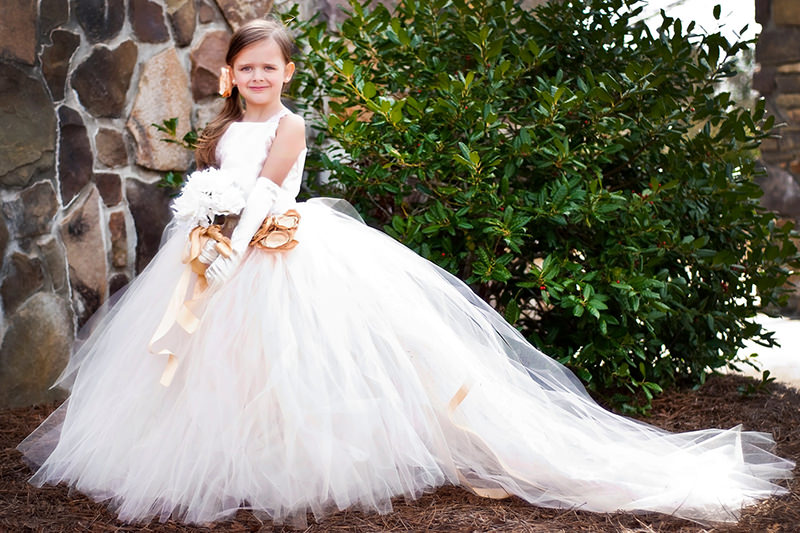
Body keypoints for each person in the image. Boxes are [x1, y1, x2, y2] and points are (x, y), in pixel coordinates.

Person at [18, 18, 794, 528]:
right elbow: (215, 190)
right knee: (227, 369)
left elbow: (260, 197)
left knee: (297, 361)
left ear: (287, 71)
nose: (258, 78)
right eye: (245, 69)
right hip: (221, 252)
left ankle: (295, 456)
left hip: (279, 250)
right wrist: (200, 234)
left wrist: (225, 250)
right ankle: (243, 451)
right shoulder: (224, 129)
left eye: (269, 67)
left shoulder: (288, 126)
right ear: (229, 77)